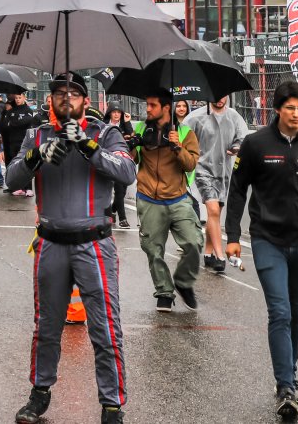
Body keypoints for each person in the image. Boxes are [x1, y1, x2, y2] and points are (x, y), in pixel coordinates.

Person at [7, 73, 134, 424]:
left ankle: (112, 404)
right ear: (51, 101)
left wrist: (88, 147)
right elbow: (11, 178)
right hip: (50, 243)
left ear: (86, 101)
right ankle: (39, 393)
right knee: (46, 327)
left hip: (94, 244)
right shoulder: (37, 134)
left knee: (105, 329)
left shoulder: (105, 133)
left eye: (73, 94)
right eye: (59, 94)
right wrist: (37, 156)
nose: (66, 99)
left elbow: (126, 171)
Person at [225, 81, 298, 420]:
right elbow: (237, 190)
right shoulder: (256, 143)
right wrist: (232, 235)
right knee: (280, 312)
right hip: (266, 240)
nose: (297, 114)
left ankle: (290, 374)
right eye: (290, 108)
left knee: (297, 313)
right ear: (278, 110)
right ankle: (285, 386)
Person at [132, 89, 201, 312]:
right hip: (148, 198)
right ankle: (164, 292)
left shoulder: (185, 132)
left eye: (152, 105)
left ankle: (183, 282)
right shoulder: (140, 128)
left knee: (193, 242)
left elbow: (190, 165)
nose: (147, 109)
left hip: (178, 198)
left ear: (166, 108)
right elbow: (130, 160)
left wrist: (177, 147)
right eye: (147, 104)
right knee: (153, 250)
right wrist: (131, 144)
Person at [185, 96, 248, 273]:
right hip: (202, 170)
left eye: (223, 95)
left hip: (223, 171)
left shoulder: (234, 116)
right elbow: (184, 138)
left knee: (216, 214)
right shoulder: (196, 117)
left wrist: (236, 147)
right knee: (212, 211)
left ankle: (208, 253)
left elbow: (242, 139)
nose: (220, 99)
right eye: (217, 95)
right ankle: (220, 256)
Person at [0, 92, 38, 196]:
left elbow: (27, 121)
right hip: (13, 141)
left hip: (24, 141)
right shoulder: (11, 111)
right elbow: (5, 124)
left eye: (19, 97)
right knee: (15, 164)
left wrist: (14, 122)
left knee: (26, 163)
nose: (17, 100)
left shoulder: (28, 110)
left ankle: (28, 188)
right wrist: (10, 117)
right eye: (16, 98)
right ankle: (18, 187)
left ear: (24, 98)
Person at [104, 106, 135, 228]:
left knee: (123, 190)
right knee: (119, 190)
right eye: (114, 112)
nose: (116, 115)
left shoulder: (124, 125)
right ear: (109, 113)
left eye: (118, 112)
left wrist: (127, 122)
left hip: (124, 159)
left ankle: (112, 210)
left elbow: (131, 136)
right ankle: (123, 219)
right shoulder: (105, 125)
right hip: (110, 159)